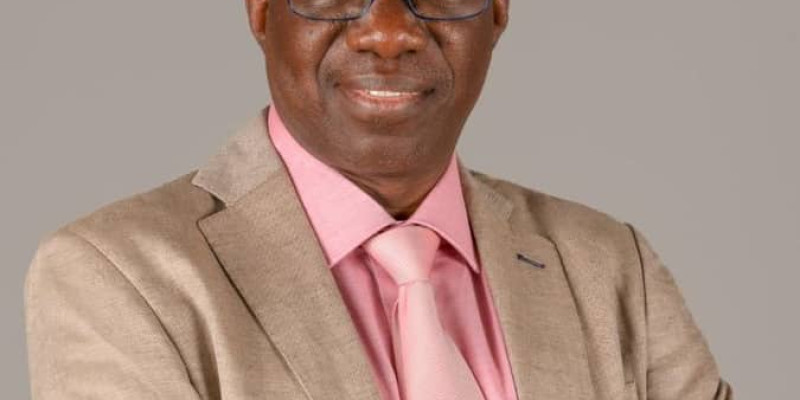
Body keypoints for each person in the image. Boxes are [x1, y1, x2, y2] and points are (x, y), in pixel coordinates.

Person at [24, 0, 732, 399]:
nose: (389, 33)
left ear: (499, 12)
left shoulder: (611, 266)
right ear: (261, 10)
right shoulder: (117, 276)